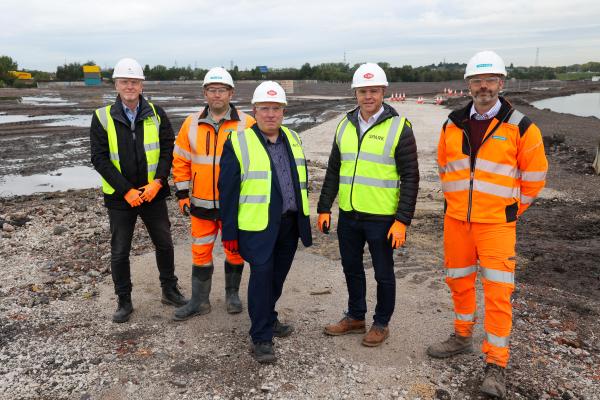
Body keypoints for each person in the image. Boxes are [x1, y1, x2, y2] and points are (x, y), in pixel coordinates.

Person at [429, 50, 548, 398]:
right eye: (477, 81)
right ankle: (462, 336)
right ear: (468, 85)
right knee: (458, 281)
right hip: (457, 222)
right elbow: (444, 166)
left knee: (498, 293)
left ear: (501, 83)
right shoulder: (452, 123)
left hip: (496, 225)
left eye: (489, 80)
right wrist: (455, 204)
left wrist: (512, 210)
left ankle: (496, 363)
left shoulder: (520, 126)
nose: (483, 87)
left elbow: (536, 176)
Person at [317, 63, 419, 347]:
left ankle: (381, 323)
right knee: (351, 268)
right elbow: (334, 170)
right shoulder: (344, 125)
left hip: (382, 217)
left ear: (383, 92)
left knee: (384, 274)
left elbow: (411, 176)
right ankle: (355, 317)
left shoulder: (399, 127)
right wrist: (324, 207)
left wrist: (403, 220)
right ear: (355, 93)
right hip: (349, 215)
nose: (368, 96)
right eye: (363, 91)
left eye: (373, 91)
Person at [218, 81, 312, 363]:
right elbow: (228, 192)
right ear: (254, 111)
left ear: (283, 111)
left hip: (290, 223)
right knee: (261, 280)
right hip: (256, 227)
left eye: (276, 108)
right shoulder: (238, 142)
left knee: (277, 279)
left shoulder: (293, 138)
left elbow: (299, 181)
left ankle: (269, 317)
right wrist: (230, 234)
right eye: (265, 109)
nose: (271, 114)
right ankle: (260, 337)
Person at [90, 57, 187, 323]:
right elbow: (99, 158)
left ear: (142, 85)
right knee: (120, 251)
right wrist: (126, 191)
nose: (130, 86)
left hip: (152, 193)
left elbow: (168, 149)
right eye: (125, 81)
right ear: (116, 85)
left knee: (164, 244)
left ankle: (169, 289)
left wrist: (158, 182)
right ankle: (124, 300)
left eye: (134, 81)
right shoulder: (101, 117)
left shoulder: (156, 114)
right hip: (121, 199)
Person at [171, 67, 255, 320]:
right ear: (205, 93)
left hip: (234, 205)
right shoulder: (191, 123)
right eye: (212, 90)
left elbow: (256, 164)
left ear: (231, 93)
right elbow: (181, 160)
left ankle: (232, 295)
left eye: (222, 90)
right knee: (200, 250)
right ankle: (199, 301)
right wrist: (183, 194)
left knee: (235, 250)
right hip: (200, 205)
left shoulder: (247, 124)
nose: (217, 95)